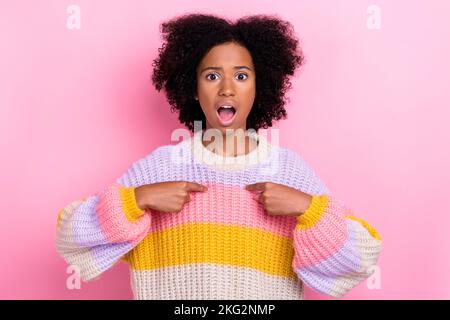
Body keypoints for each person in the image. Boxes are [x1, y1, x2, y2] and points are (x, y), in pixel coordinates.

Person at [55, 13, 382, 300]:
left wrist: (307, 209)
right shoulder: (160, 167)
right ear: (194, 89)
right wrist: (137, 199)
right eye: (212, 76)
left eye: (241, 76)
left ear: (259, 85)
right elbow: (71, 237)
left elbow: (361, 257)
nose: (227, 88)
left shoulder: (290, 171)